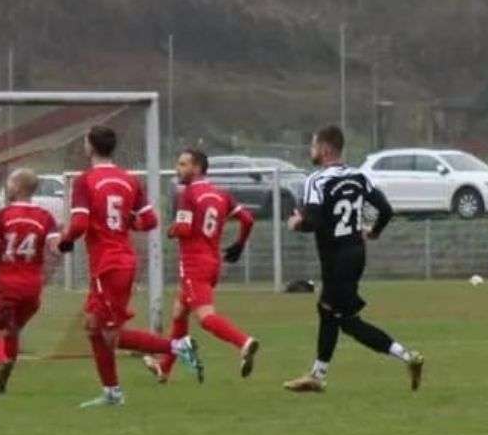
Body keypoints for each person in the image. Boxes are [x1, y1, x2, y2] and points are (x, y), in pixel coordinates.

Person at [283, 125, 424, 393]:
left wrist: (296, 223)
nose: (311, 151)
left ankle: (405, 357)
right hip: (355, 253)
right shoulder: (359, 175)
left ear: (325, 149)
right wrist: (373, 231)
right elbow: (385, 209)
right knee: (336, 315)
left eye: (313, 146)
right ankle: (320, 374)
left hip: (337, 257)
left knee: (337, 316)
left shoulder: (317, 180)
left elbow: (312, 221)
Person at [121, 148, 260, 383]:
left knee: (205, 317)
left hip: (194, 264)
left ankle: (244, 343)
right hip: (212, 262)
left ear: (197, 168)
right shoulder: (220, 194)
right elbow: (247, 219)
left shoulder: (188, 194)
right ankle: (164, 369)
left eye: (183, 164)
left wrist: (171, 229)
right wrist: (239, 243)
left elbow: (184, 229)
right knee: (179, 313)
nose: (178, 168)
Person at [57, 125, 159, 408]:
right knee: (93, 327)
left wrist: (64, 241)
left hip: (108, 264)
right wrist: (130, 222)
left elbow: (78, 224)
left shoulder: (85, 181)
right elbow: (150, 221)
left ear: (89, 146)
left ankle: (177, 347)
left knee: (109, 335)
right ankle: (111, 392)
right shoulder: (129, 179)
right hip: (119, 260)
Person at [0, 168, 60, 394]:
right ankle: (2, 384)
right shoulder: (46, 217)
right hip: (32, 288)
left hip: (6, 285)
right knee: (12, 332)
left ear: (16, 187)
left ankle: (2, 361)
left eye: (9, 182)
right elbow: (56, 249)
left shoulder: (3, 215)